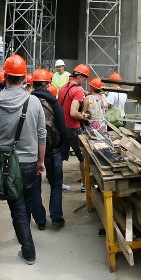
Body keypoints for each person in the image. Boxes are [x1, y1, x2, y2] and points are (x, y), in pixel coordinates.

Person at [0, 54, 46, 265]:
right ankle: (25, 237)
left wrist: (4, 135)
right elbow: (42, 134)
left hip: (6, 163)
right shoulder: (34, 101)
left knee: (17, 206)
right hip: (29, 163)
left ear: (5, 77)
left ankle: (28, 250)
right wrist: (40, 161)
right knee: (24, 201)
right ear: (24, 78)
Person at [29, 68, 68, 228]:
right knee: (56, 183)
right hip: (53, 149)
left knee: (34, 186)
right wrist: (62, 148)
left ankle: (40, 220)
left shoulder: (27, 102)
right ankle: (56, 217)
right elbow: (63, 129)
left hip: (32, 150)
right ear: (46, 84)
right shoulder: (53, 103)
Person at [57, 63, 91, 192]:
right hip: (73, 128)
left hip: (62, 127)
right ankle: (84, 185)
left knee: (60, 156)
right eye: (85, 78)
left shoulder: (63, 88)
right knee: (83, 156)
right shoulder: (77, 90)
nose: (85, 81)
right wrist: (84, 116)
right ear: (80, 76)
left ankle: (58, 183)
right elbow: (73, 112)